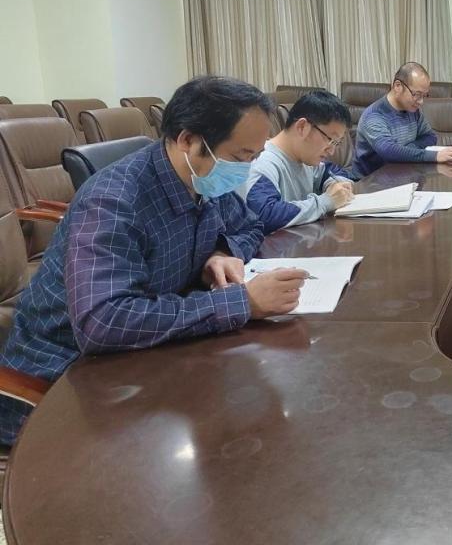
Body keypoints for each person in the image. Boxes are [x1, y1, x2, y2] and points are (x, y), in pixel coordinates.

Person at [0, 76, 308, 445]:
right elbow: (103, 321)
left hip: (149, 355)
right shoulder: (114, 201)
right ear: (188, 140)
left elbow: (250, 224)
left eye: (254, 157)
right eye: (241, 157)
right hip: (64, 381)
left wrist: (223, 252)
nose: (245, 169)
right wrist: (243, 302)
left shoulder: (205, 179)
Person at [242, 89, 356, 233]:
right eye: (330, 140)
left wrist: (336, 185)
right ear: (302, 127)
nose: (332, 151)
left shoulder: (305, 159)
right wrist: (326, 202)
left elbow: (332, 171)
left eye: (336, 143)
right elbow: (264, 215)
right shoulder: (263, 162)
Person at [351, 62, 452, 178]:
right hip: (371, 182)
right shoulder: (374, 115)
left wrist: (407, 149)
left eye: (424, 95)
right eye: (416, 94)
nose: (421, 102)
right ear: (398, 86)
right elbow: (389, 151)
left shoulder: (413, 111)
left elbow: (430, 137)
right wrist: (435, 156)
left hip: (402, 176)